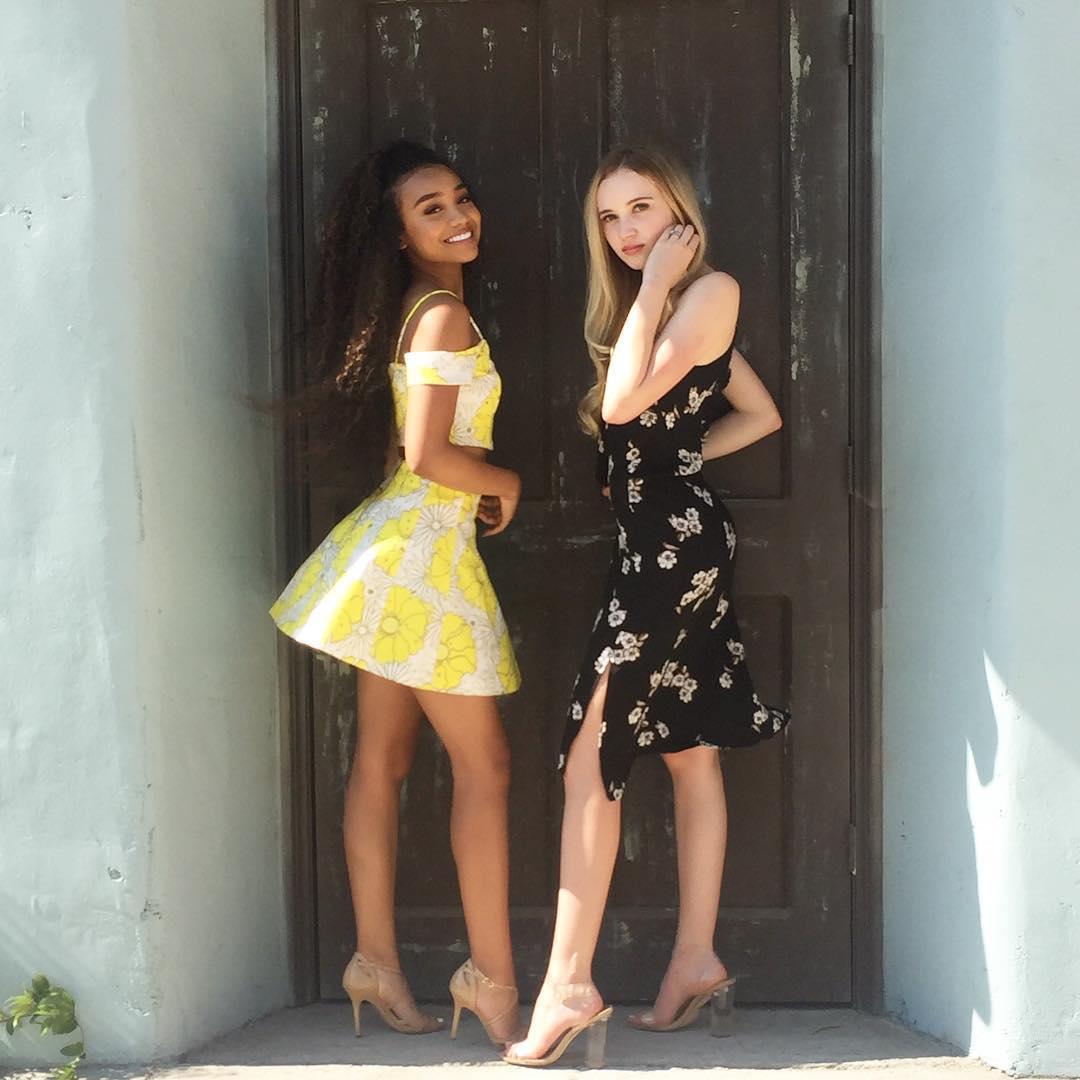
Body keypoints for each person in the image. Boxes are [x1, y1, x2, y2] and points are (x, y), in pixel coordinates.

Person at [505, 145, 789, 1068]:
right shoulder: (662, 310)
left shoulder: (706, 292)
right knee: (689, 749)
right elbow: (756, 412)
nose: (627, 230)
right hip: (663, 547)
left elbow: (627, 402)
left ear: (680, 210)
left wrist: (661, 282)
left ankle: (567, 984)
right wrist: (670, 465)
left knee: (593, 757)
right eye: (610, 216)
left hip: (674, 555)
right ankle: (695, 959)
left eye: (642, 208)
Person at [270, 140, 522, 1045]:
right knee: (484, 768)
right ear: (398, 234)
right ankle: (493, 982)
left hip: (405, 548)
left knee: (382, 759)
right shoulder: (443, 313)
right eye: (430, 208)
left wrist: (471, 487)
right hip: (423, 559)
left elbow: (408, 454)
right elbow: (429, 455)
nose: (459, 216)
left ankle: (375, 964)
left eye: (461, 196)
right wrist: (505, 483)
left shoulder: (417, 308)